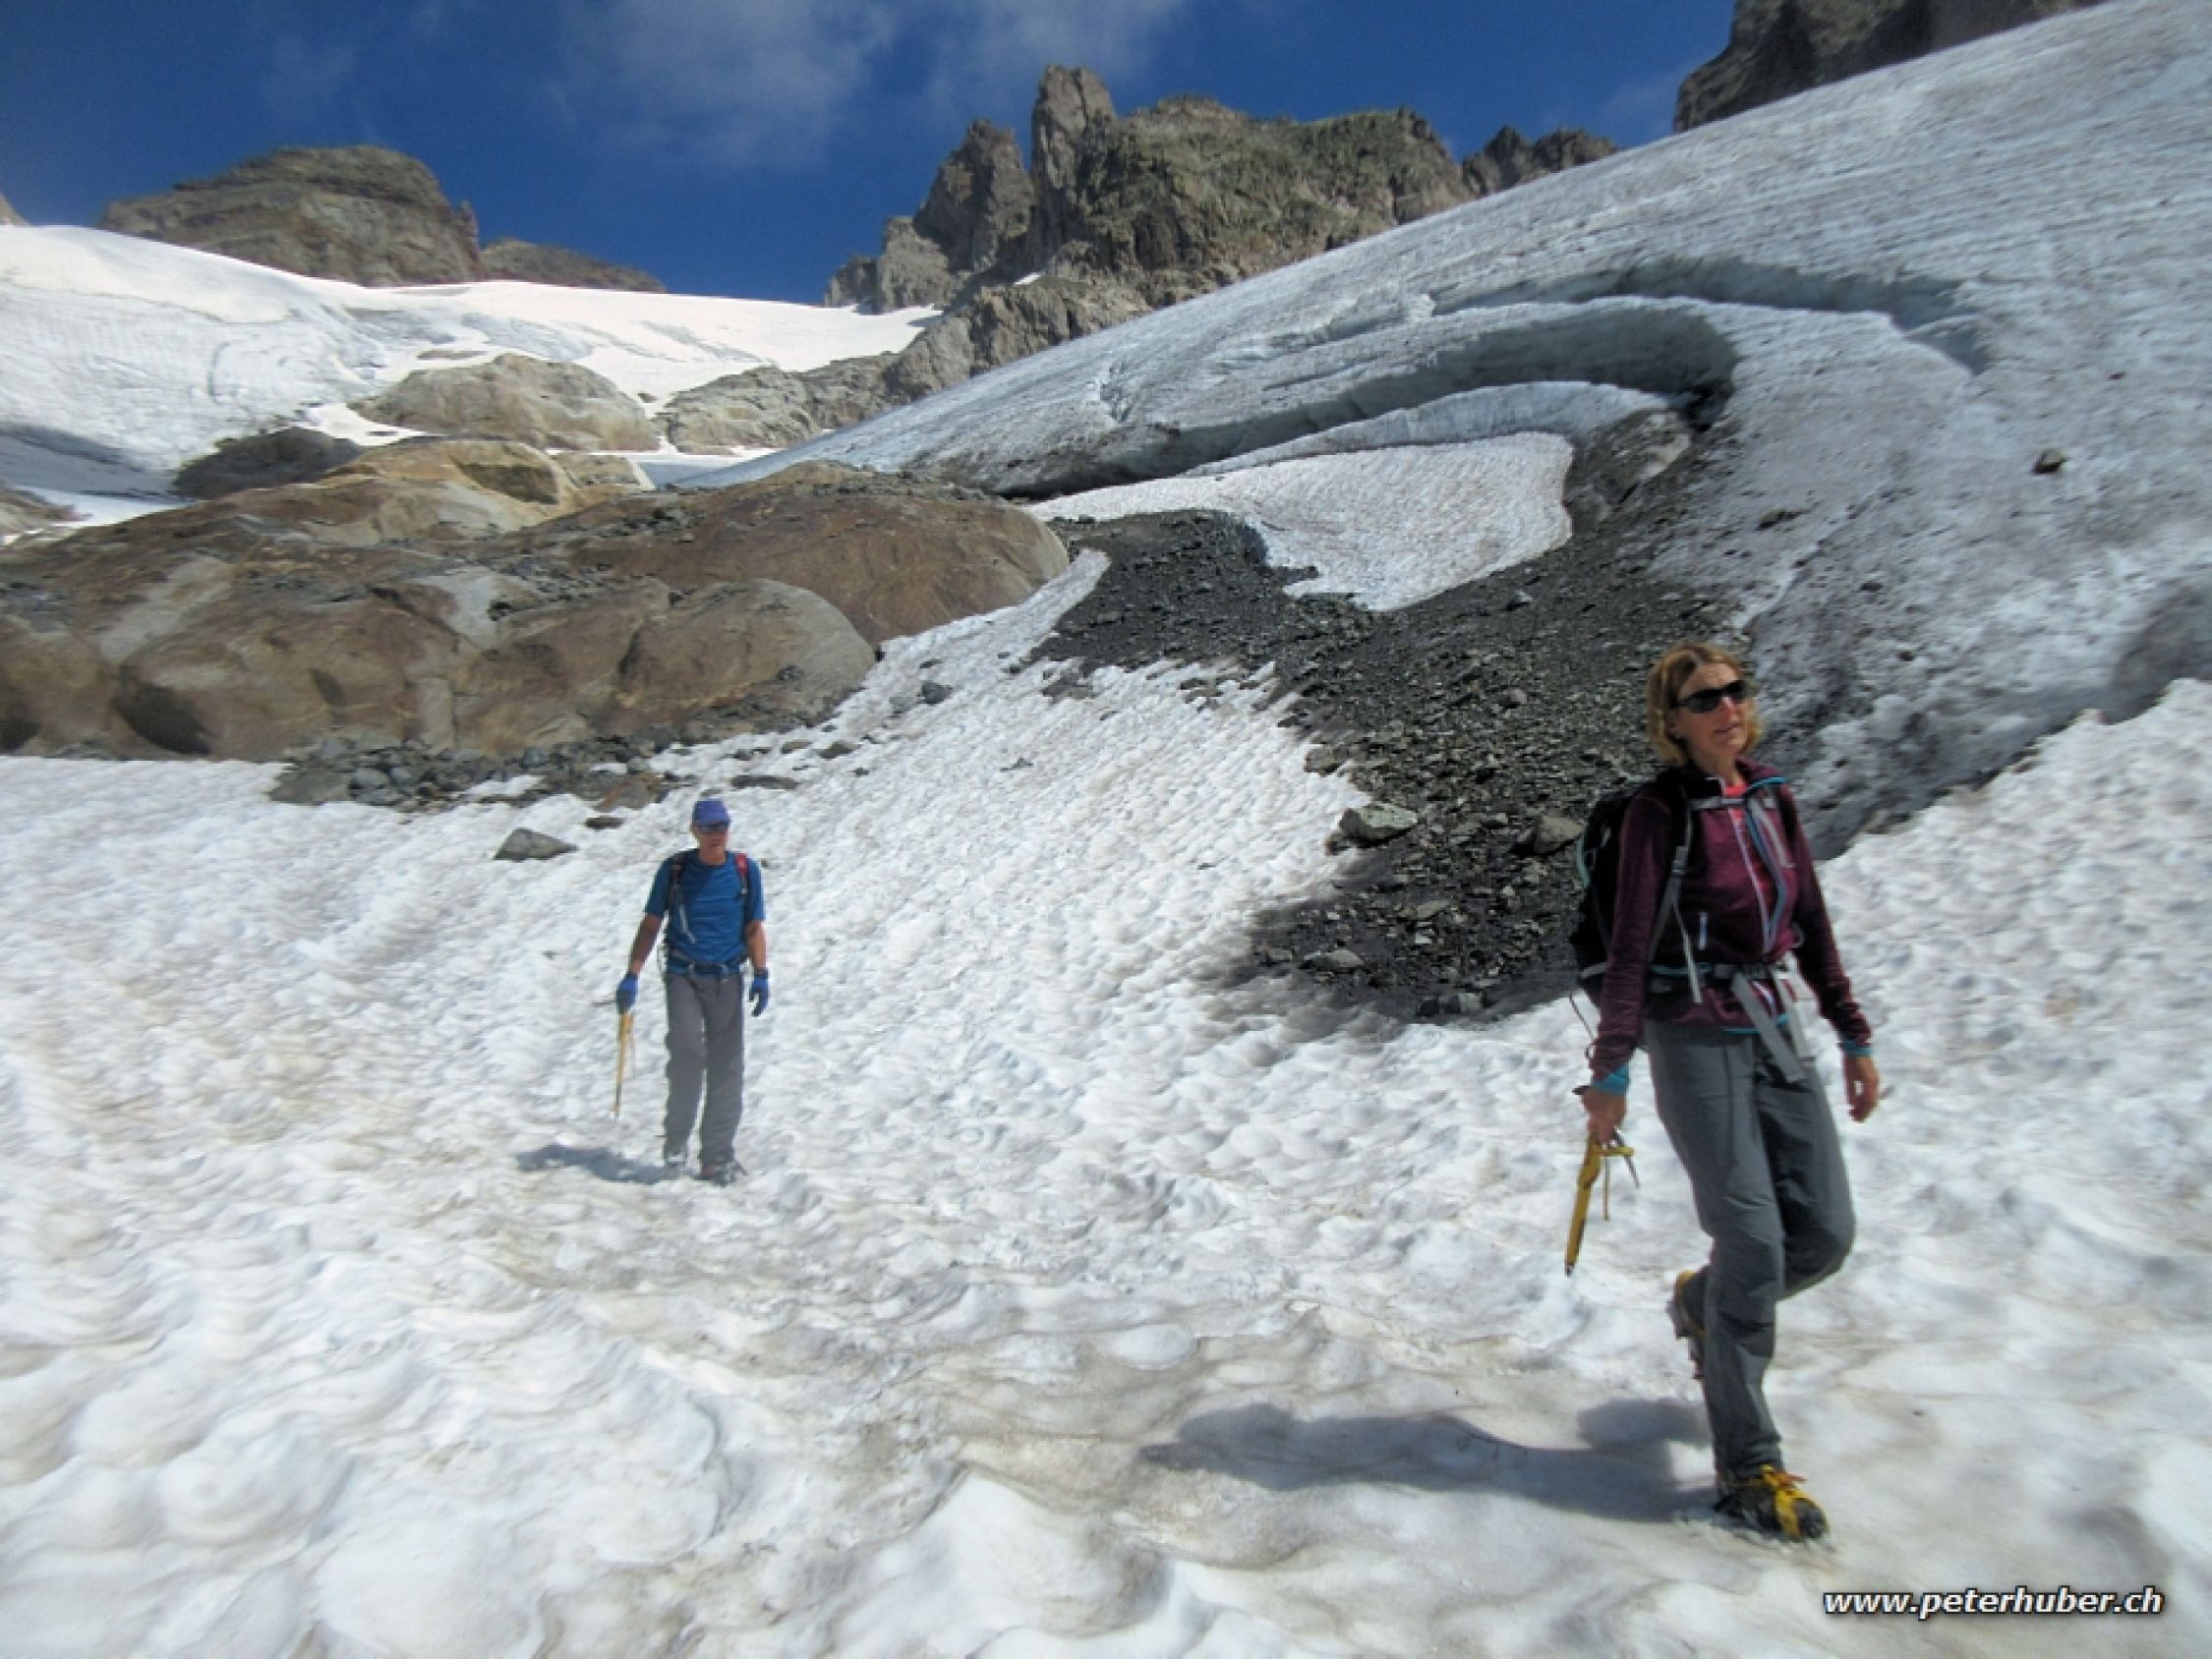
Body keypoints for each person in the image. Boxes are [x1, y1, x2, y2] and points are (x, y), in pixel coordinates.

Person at [1577, 642, 1881, 1541]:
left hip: (1773, 1022)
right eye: (1704, 698)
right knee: (1752, 1235)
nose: (1727, 708)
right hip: (1692, 1034)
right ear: (1671, 722)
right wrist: (1612, 1069)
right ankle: (1749, 1466)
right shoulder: (1656, 816)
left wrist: (1851, 1030)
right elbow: (1629, 949)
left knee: (1822, 1234)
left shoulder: (1771, 798)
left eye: (1735, 691)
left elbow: (1811, 919)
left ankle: (1702, 1306)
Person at [616, 798, 769, 1185]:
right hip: (683, 974)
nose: (716, 834)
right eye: (708, 827)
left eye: (721, 826)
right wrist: (632, 974)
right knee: (687, 1055)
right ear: (694, 830)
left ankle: (717, 1156)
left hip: (727, 977)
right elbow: (651, 924)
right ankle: (676, 1141)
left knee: (727, 1067)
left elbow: (753, 927)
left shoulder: (744, 870)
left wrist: (761, 973)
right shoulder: (675, 870)